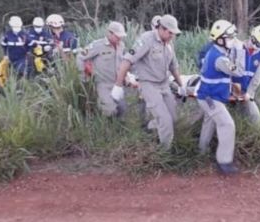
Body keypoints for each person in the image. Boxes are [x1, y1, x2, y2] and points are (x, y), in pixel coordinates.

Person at [111, 14, 186, 150]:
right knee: (165, 120)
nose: (172, 36)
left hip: (164, 84)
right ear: (161, 29)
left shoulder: (169, 43)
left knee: (173, 119)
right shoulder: (147, 39)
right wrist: (118, 85)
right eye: (170, 32)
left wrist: (182, 86)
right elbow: (128, 60)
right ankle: (165, 152)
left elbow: (173, 66)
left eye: (174, 33)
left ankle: (150, 126)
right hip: (149, 84)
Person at [196, 19, 244, 174]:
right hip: (211, 98)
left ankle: (201, 152)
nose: (232, 41)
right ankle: (224, 162)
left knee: (209, 123)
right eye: (230, 38)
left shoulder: (216, 52)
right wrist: (241, 51)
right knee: (227, 125)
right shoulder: (220, 58)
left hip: (208, 96)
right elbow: (239, 71)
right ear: (220, 39)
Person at [76, 21, 128, 118]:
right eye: (117, 36)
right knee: (109, 110)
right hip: (103, 84)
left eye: (121, 37)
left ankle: (119, 130)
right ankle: (105, 127)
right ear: (109, 33)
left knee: (122, 109)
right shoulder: (97, 45)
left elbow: (123, 62)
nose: (120, 39)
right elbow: (80, 57)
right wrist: (84, 77)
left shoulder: (121, 46)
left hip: (118, 84)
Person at [231, 24, 260, 125]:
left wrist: (249, 93)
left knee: (255, 117)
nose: (259, 47)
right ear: (253, 38)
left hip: (245, 92)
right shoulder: (237, 48)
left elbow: (257, 77)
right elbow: (229, 69)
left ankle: (253, 136)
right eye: (258, 44)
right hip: (230, 88)